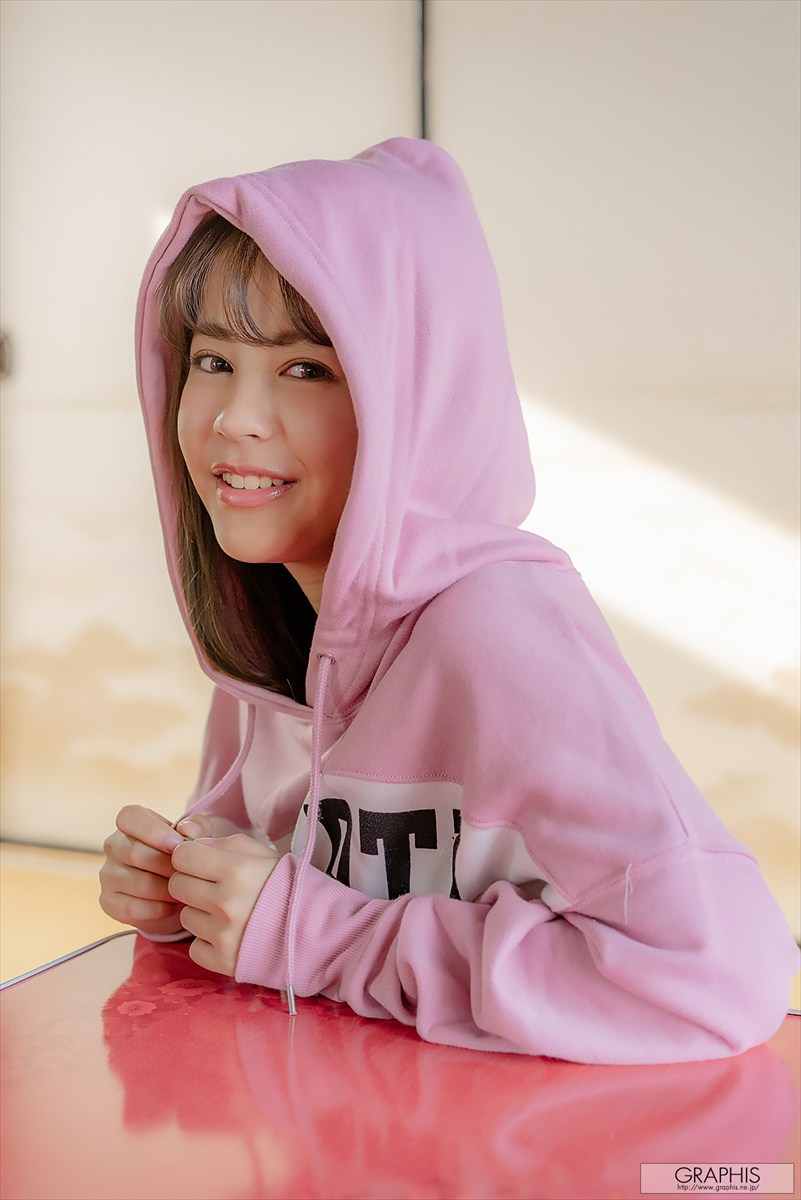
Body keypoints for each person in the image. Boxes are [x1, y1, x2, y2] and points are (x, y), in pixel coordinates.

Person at [100, 136, 798, 1063]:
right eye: (212, 360)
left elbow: (717, 977)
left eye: (306, 369)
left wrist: (316, 936)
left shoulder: (495, 632)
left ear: (416, 399)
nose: (233, 419)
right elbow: (286, 893)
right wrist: (190, 886)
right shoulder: (271, 638)